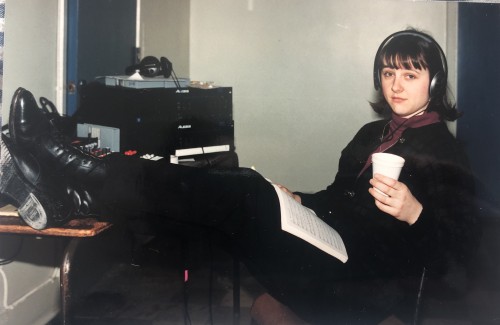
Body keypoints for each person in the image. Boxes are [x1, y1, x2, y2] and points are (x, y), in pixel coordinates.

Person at [0, 29, 479, 323]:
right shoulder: (372, 132)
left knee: (245, 190)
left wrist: (417, 213)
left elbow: (460, 261)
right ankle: (76, 194)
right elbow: (338, 198)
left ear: (433, 83)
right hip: (328, 252)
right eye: (388, 73)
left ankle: (77, 172)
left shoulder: (446, 151)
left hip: (362, 288)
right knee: (228, 205)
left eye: (410, 76)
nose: (396, 85)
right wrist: (300, 200)